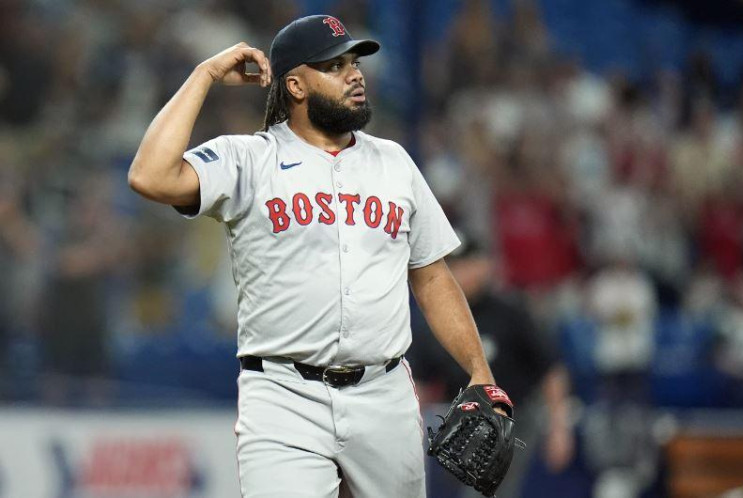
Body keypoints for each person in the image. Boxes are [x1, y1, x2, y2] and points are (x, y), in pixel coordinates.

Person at [128, 15, 504, 498]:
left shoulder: (394, 163)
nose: (355, 74)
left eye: (355, 61)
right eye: (334, 65)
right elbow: (150, 176)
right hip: (284, 396)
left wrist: (480, 372)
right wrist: (204, 75)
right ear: (295, 86)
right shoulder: (249, 159)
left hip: (383, 391)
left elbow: (431, 276)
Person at [408, 231, 574, 496]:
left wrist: (559, 427)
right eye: (454, 265)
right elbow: (422, 384)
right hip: (461, 425)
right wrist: (408, 431)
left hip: (514, 418)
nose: (461, 272)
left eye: (467, 263)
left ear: (485, 265)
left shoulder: (510, 312)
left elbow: (551, 370)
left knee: (483, 491)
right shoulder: (437, 321)